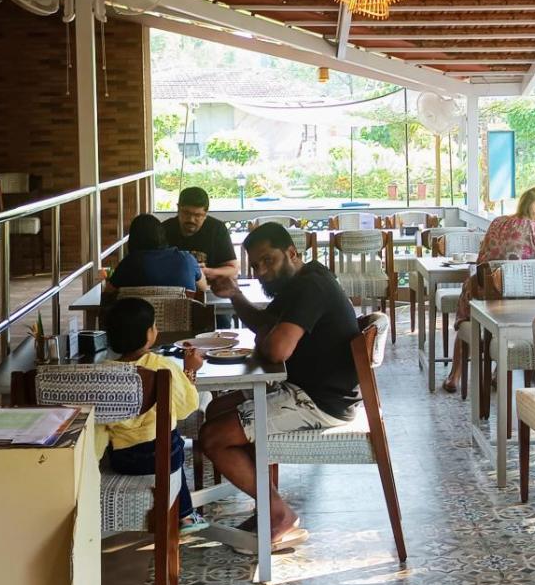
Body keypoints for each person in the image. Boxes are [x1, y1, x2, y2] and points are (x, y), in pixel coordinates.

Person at [199, 221, 360, 546]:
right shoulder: (299, 282)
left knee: (213, 437)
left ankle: (278, 513)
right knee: (215, 409)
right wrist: (236, 295)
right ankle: (266, 505)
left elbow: (276, 349)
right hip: (305, 388)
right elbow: (265, 324)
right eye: (256, 265)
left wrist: (267, 338)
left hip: (319, 401)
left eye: (268, 261)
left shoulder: (311, 287)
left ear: (291, 252)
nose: (262, 272)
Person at [440, 185, 535, 393]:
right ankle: (498, 373)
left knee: (467, 320)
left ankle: (454, 376)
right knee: (523, 309)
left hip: (480, 294)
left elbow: (482, 258)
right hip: (514, 306)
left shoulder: (497, 222)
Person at [101, 297, 204, 526]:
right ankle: (185, 515)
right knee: (172, 439)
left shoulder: (104, 371)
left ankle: (184, 514)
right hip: (162, 457)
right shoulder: (161, 365)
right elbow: (186, 407)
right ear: (149, 334)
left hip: (122, 459)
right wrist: (190, 371)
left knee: (168, 440)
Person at [105, 214, 206, 294]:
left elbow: (107, 293)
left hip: (140, 315)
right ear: (162, 234)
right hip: (182, 314)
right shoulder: (187, 259)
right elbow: (203, 289)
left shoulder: (129, 263)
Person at [163, 186, 239, 281]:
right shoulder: (164, 229)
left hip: (210, 285)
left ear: (205, 214)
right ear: (178, 208)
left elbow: (233, 270)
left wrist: (205, 272)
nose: (191, 219)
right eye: (186, 213)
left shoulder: (217, 229)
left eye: (197, 215)